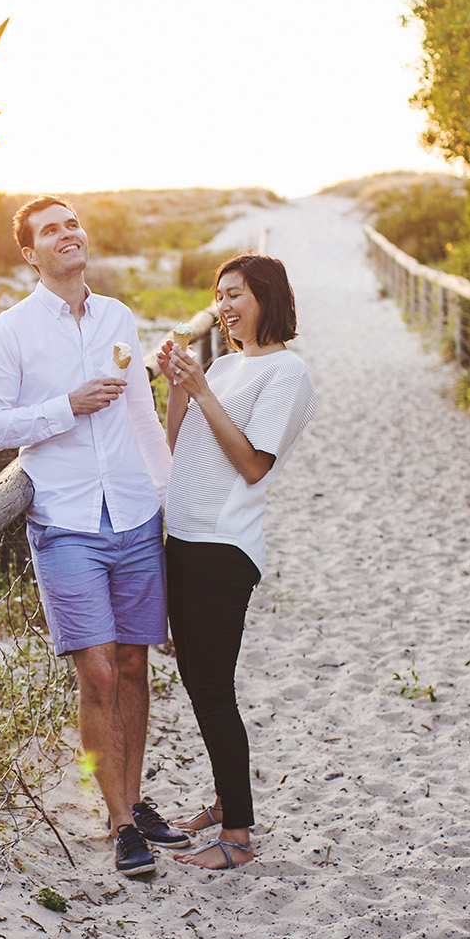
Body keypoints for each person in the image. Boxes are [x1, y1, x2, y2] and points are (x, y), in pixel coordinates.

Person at [0, 196, 189, 878]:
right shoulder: (8, 332)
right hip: (64, 522)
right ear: (30, 254)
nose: (68, 234)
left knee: (132, 666)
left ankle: (132, 794)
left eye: (72, 223)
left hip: (132, 513)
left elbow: (143, 419)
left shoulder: (119, 316)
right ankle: (121, 823)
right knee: (95, 671)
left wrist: (170, 499)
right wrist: (65, 407)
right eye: (50, 230)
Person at [156, 252, 316, 870]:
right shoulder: (221, 369)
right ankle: (226, 800)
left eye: (235, 294)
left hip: (227, 544)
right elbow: (178, 447)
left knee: (215, 690)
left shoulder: (287, 373)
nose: (223, 307)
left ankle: (240, 838)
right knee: (197, 682)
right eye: (218, 296)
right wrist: (181, 388)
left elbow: (252, 464)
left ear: (267, 297)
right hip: (186, 536)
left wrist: (201, 389)